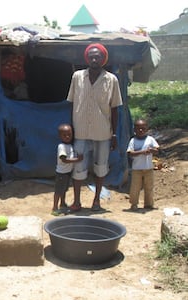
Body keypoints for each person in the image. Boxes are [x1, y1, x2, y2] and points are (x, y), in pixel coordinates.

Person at [66, 43, 123, 212]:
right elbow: (72, 103)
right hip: (81, 131)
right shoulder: (77, 77)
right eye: (91, 56)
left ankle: (96, 201)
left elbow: (114, 109)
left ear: (103, 59)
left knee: (101, 167)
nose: (94, 59)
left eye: (97, 56)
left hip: (103, 132)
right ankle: (76, 201)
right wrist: (71, 128)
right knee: (78, 167)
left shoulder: (111, 79)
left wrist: (114, 134)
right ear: (87, 58)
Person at [126, 119, 159, 210]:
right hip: (137, 169)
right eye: (138, 129)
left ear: (147, 129)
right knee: (135, 188)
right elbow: (130, 153)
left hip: (148, 168)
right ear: (134, 130)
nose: (141, 130)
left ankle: (148, 204)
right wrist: (142, 152)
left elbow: (157, 150)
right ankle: (134, 204)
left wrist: (152, 150)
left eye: (143, 128)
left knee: (149, 187)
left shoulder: (150, 139)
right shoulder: (133, 141)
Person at [52, 124, 83, 216]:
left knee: (64, 189)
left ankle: (62, 203)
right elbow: (64, 159)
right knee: (58, 191)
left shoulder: (70, 145)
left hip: (67, 173)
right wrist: (77, 160)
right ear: (60, 136)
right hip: (61, 173)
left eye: (69, 134)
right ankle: (55, 207)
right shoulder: (62, 146)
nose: (67, 137)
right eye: (64, 135)